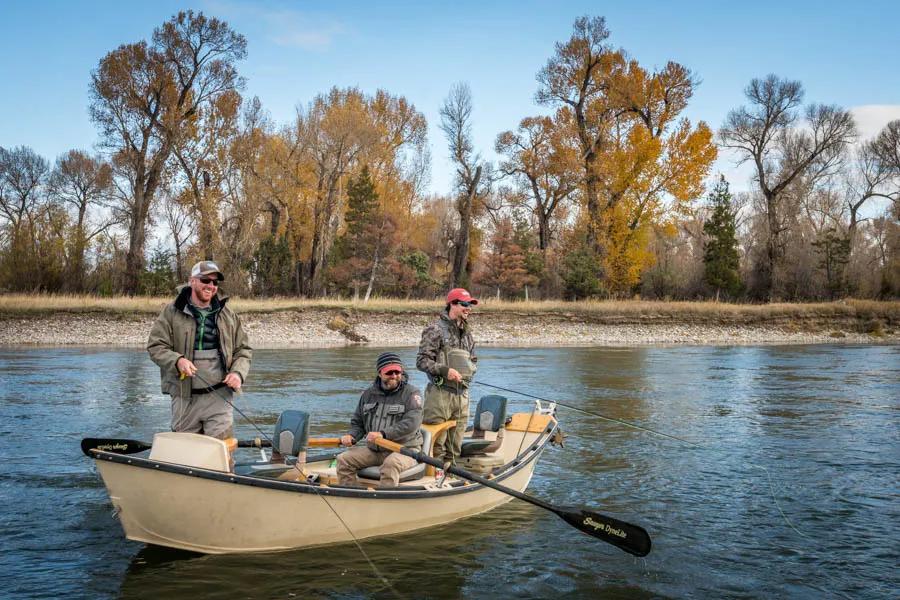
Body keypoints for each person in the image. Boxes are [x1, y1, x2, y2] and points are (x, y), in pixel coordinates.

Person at [147, 260, 252, 441]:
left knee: (221, 456)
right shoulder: (171, 312)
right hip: (184, 398)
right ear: (192, 281)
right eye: (205, 280)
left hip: (220, 398)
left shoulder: (229, 315)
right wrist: (178, 361)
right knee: (186, 458)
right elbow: (155, 346)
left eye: (214, 282)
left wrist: (238, 373)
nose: (210, 286)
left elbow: (243, 349)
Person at [336, 352, 424, 487]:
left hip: (405, 450)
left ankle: (386, 503)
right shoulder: (368, 394)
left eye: (397, 372)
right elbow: (358, 422)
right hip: (375, 451)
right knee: (343, 460)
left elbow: (411, 424)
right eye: (389, 373)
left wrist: (383, 434)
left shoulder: (412, 394)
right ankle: (351, 497)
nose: (394, 376)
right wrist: (352, 435)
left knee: (390, 464)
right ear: (380, 373)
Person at [416, 288, 478, 468]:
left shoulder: (467, 332)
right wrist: (445, 370)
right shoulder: (434, 329)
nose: (469, 308)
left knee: (455, 444)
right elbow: (421, 361)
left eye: (470, 305)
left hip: (462, 395)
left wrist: (470, 372)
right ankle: (432, 476)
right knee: (436, 443)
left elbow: (474, 360)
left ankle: (451, 476)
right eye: (465, 304)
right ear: (452, 304)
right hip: (440, 394)